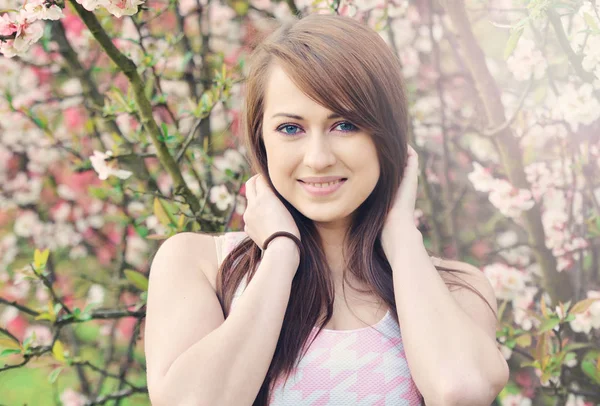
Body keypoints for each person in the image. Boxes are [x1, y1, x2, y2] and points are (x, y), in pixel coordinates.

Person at [144, 13, 509, 406]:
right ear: (261, 140)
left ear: (385, 136)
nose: (318, 158)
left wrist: (402, 235)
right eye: (290, 129)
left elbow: (460, 390)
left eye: (345, 125)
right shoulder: (202, 265)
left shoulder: (455, 288)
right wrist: (281, 252)